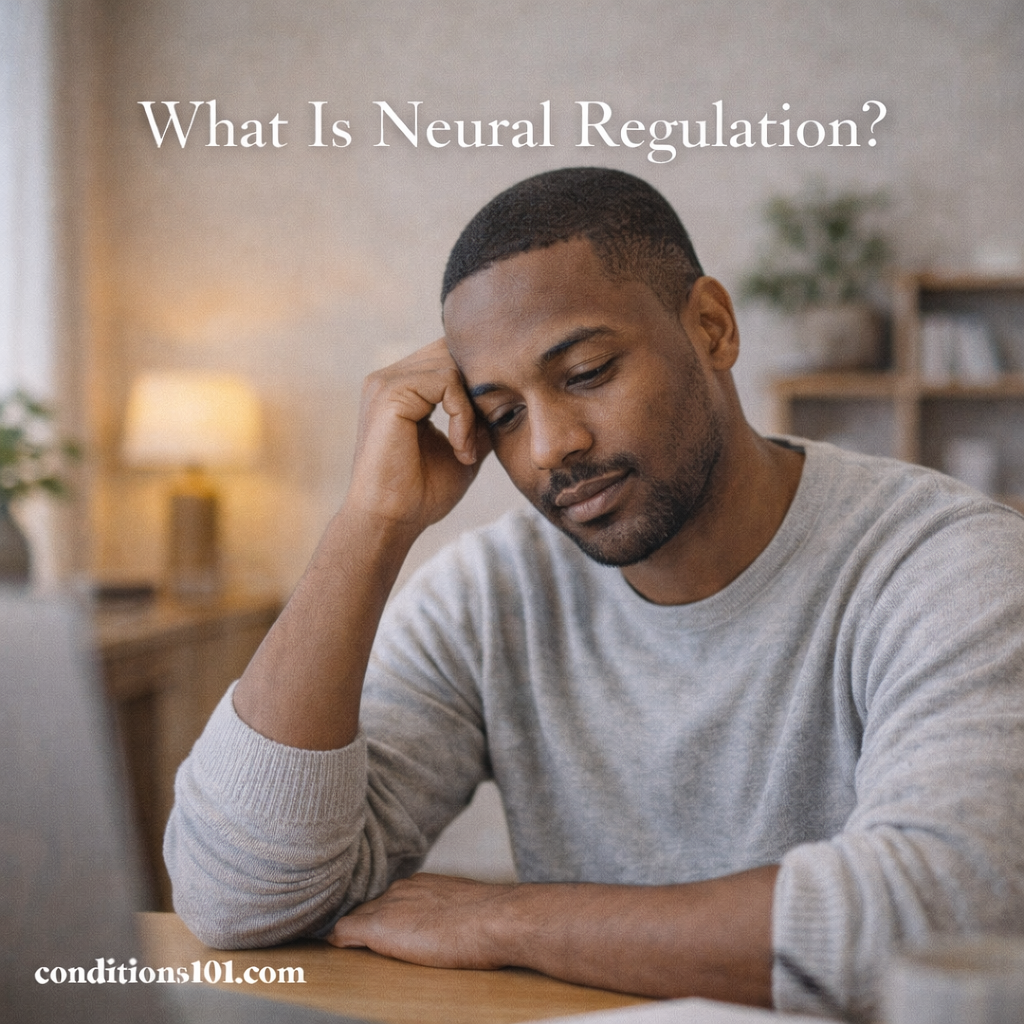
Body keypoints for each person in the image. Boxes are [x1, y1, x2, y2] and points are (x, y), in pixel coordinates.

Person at [165, 167, 1024, 1021]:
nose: (550, 447)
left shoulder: (948, 562)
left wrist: (507, 919)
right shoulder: (489, 596)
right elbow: (237, 897)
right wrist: (372, 525)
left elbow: (940, 919)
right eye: (501, 413)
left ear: (712, 328)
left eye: (585, 372)